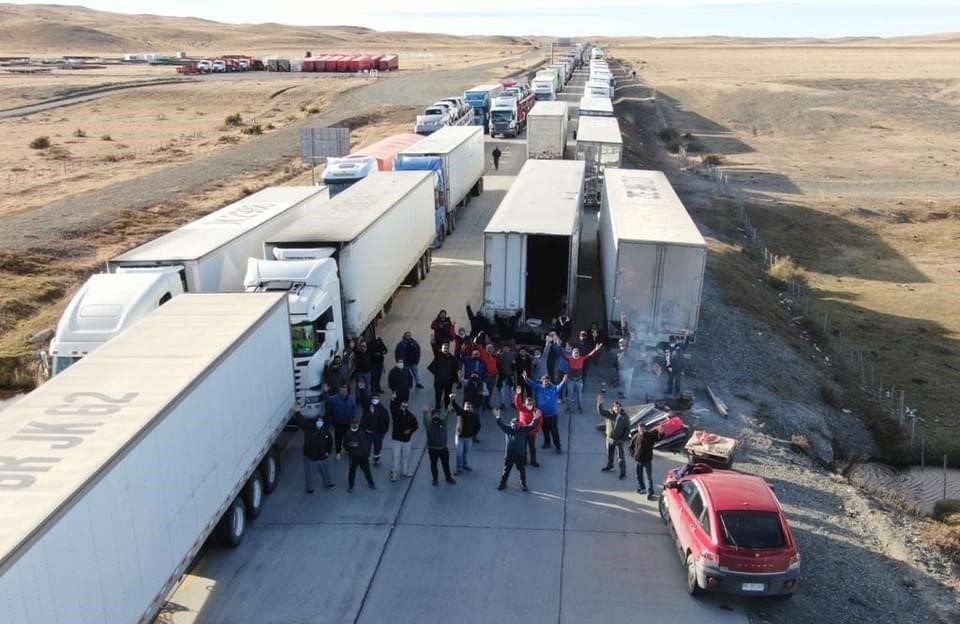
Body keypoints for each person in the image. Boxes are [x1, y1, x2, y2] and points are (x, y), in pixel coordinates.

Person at [494, 408, 539, 491]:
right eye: (513, 423)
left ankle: (523, 484)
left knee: (521, 471)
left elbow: (532, 425)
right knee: (506, 471)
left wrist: (535, 418)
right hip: (509, 455)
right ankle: (502, 484)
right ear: (510, 424)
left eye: (517, 423)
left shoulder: (524, 429)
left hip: (520, 455)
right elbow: (500, 424)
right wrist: (497, 416)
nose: (515, 425)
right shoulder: (507, 429)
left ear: (520, 424)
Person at [523, 370, 567, 453]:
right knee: (545, 430)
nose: (546, 383)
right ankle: (547, 443)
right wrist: (525, 378)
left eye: (547, 382)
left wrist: (564, 380)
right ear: (542, 381)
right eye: (544, 382)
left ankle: (558, 446)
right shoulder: (538, 388)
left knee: (554, 432)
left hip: (552, 416)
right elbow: (531, 383)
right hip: (542, 416)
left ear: (549, 382)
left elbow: (560, 386)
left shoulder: (554, 389)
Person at [295, 407, 335, 492]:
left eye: (321, 422)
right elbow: (301, 421)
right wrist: (297, 412)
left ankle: (328, 483)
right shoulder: (308, 428)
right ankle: (309, 489)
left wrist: (328, 452)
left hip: (322, 457)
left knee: (326, 472)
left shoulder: (325, 431)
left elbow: (330, 441)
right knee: (309, 474)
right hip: (310, 457)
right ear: (315, 422)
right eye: (318, 421)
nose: (319, 423)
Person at [560, 344, 603, 413]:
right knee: (569, 396)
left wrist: (596, 349)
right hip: (570, 380)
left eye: (577, 353)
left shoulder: (582, 358)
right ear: (572, 353)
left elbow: (589, 355)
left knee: (579, 396)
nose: (576, 354)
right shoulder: (570, 359)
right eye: (575, 353)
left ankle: (579, 407)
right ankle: (568, 408)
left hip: (579, 381)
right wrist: (558, 346)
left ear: (579, 354)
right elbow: (562, 354)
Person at [597, 394, 631, 479]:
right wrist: (599, 403)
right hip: (609, 439)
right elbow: (600, 412)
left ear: (620, 408)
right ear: (612, 408)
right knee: (609, 454)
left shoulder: (624, 417)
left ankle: (623, 473)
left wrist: (622, 439)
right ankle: (610, 466)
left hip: (619, 440)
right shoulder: (609, 414)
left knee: (621, 457)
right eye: (615, 407)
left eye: (618, 407)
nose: (616, 409)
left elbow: (627, 429)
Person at [423, 408, 456, 485]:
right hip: (432, 449)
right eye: (435, 415)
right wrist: (425, 414)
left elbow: (447, 416)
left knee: (446, 464)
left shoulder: (443, 423)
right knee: (433, 464)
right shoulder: (429, 424)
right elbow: (425, 420)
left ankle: (448, 477)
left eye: (438, 414)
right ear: (431, 416)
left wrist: (449, 411)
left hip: (443, 449)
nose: (437, 416)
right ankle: (435, 479)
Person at [390, 396, 419, 481]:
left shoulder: (411, 416)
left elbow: (416, 425)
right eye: (403, 406)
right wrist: (392, 399)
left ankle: (405, 471)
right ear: (400, 405)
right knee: (396, 457)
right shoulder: (395, 414)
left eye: (406, 407)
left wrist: (410, 431)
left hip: (407, 440)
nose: (404, 408)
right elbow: (391, 407)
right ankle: (394, 473)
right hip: (397, 440)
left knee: (405, 457)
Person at [325, 384, 357, 459]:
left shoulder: (351, 398)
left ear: (347, 391)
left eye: (345, 390)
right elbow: (328, 400)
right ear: (339, 391)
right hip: (338, 423)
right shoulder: (334, 398)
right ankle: (338, 452)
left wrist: (353, 416)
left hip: (348, 423)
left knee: (348, 438)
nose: (343, 392)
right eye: (342, 390)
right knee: (338, 438)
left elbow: (354, 407)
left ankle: (347, 450)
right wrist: (326, 392)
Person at [343, 419, 376, 491]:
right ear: (350, 424)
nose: (355, 425)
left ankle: (371, 483)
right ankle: (351, 486)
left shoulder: (362, 431)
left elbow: (366, 443)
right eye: (353, 423)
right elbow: (345, 446)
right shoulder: (347, 434)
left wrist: (367, 453)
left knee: (367, 470)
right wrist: (350, 445)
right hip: (353, 456)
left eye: (356, 423)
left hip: (363, 455)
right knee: (352, 472)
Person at [450, 395, 479, 474]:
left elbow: (478, 426)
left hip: (469, 438)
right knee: (459, 453)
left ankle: (464, 464)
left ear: (472, 408)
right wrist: (452, 398)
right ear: (464, 407)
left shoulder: (475, 416)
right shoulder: (461, 412)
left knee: (466, 452)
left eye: (469, 407)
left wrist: (473, 434)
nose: (467, 408)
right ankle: (458, 468)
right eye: (466, 407)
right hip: (459, 437)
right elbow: (455, 405)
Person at [514, 385, 542, 467]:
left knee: (532, 448)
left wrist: (536, 430)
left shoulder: (537, 411)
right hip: (523, 432)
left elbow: (540, 422)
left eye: (531, 404)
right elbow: (517, 403)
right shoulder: (522, 408)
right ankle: (524, 460)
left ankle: (533, 461)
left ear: (533, 404)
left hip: (532, 433)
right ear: (525, 404)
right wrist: (518, 394)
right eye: (528, 404)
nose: (529, 405)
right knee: (523, 448)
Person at [427, 342, 460, 410]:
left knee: (447, 394)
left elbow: (456, 368)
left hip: (448, 381)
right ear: (441, 349)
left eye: (447, 348)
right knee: (438, 394)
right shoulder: (439, 356)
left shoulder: (452, 358)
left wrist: (457, 376)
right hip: (438, 381)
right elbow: (435, 350)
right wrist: (433, 343)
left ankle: (447, 405)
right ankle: (437, 405)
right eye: (444, 348)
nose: (445, 349)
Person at [360, 393, 390, 466]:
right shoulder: (367, 409)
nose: (374, 400)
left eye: (376, 398)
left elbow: (386, 421)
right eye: (373, 398)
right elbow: (363, 421)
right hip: (367, 433)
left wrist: (383, 431)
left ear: (379, 399)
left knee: (378, 446)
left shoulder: (383, 410)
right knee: (367, 447)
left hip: (378, 433)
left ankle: (376, 459)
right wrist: (371, 413)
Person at [630, 425, 658, 499]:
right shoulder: (636, 436)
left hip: (647, 461)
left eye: (642, 430)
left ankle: (650, 492)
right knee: (638, 476)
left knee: (648, 477)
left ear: (645, 429)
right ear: (638, 430)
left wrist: (661, 433)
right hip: (638, 460)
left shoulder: (650, 436)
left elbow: (658, 438)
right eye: (640, 430)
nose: (641, 431)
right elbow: (631, 447)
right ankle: (642, 488)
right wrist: (633, 455)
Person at [478, 342, 500, 410]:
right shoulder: (484, 356)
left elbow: (497, 366)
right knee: (485, 391)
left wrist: (497, 371)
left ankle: (488, 403)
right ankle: (483, 405)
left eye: (491, 348)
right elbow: (480, 347)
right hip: (485, 377)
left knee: (490, 391)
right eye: (488, 348)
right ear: (486, 349)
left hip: (493, 377)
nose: (490, 350)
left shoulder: (495, 357)